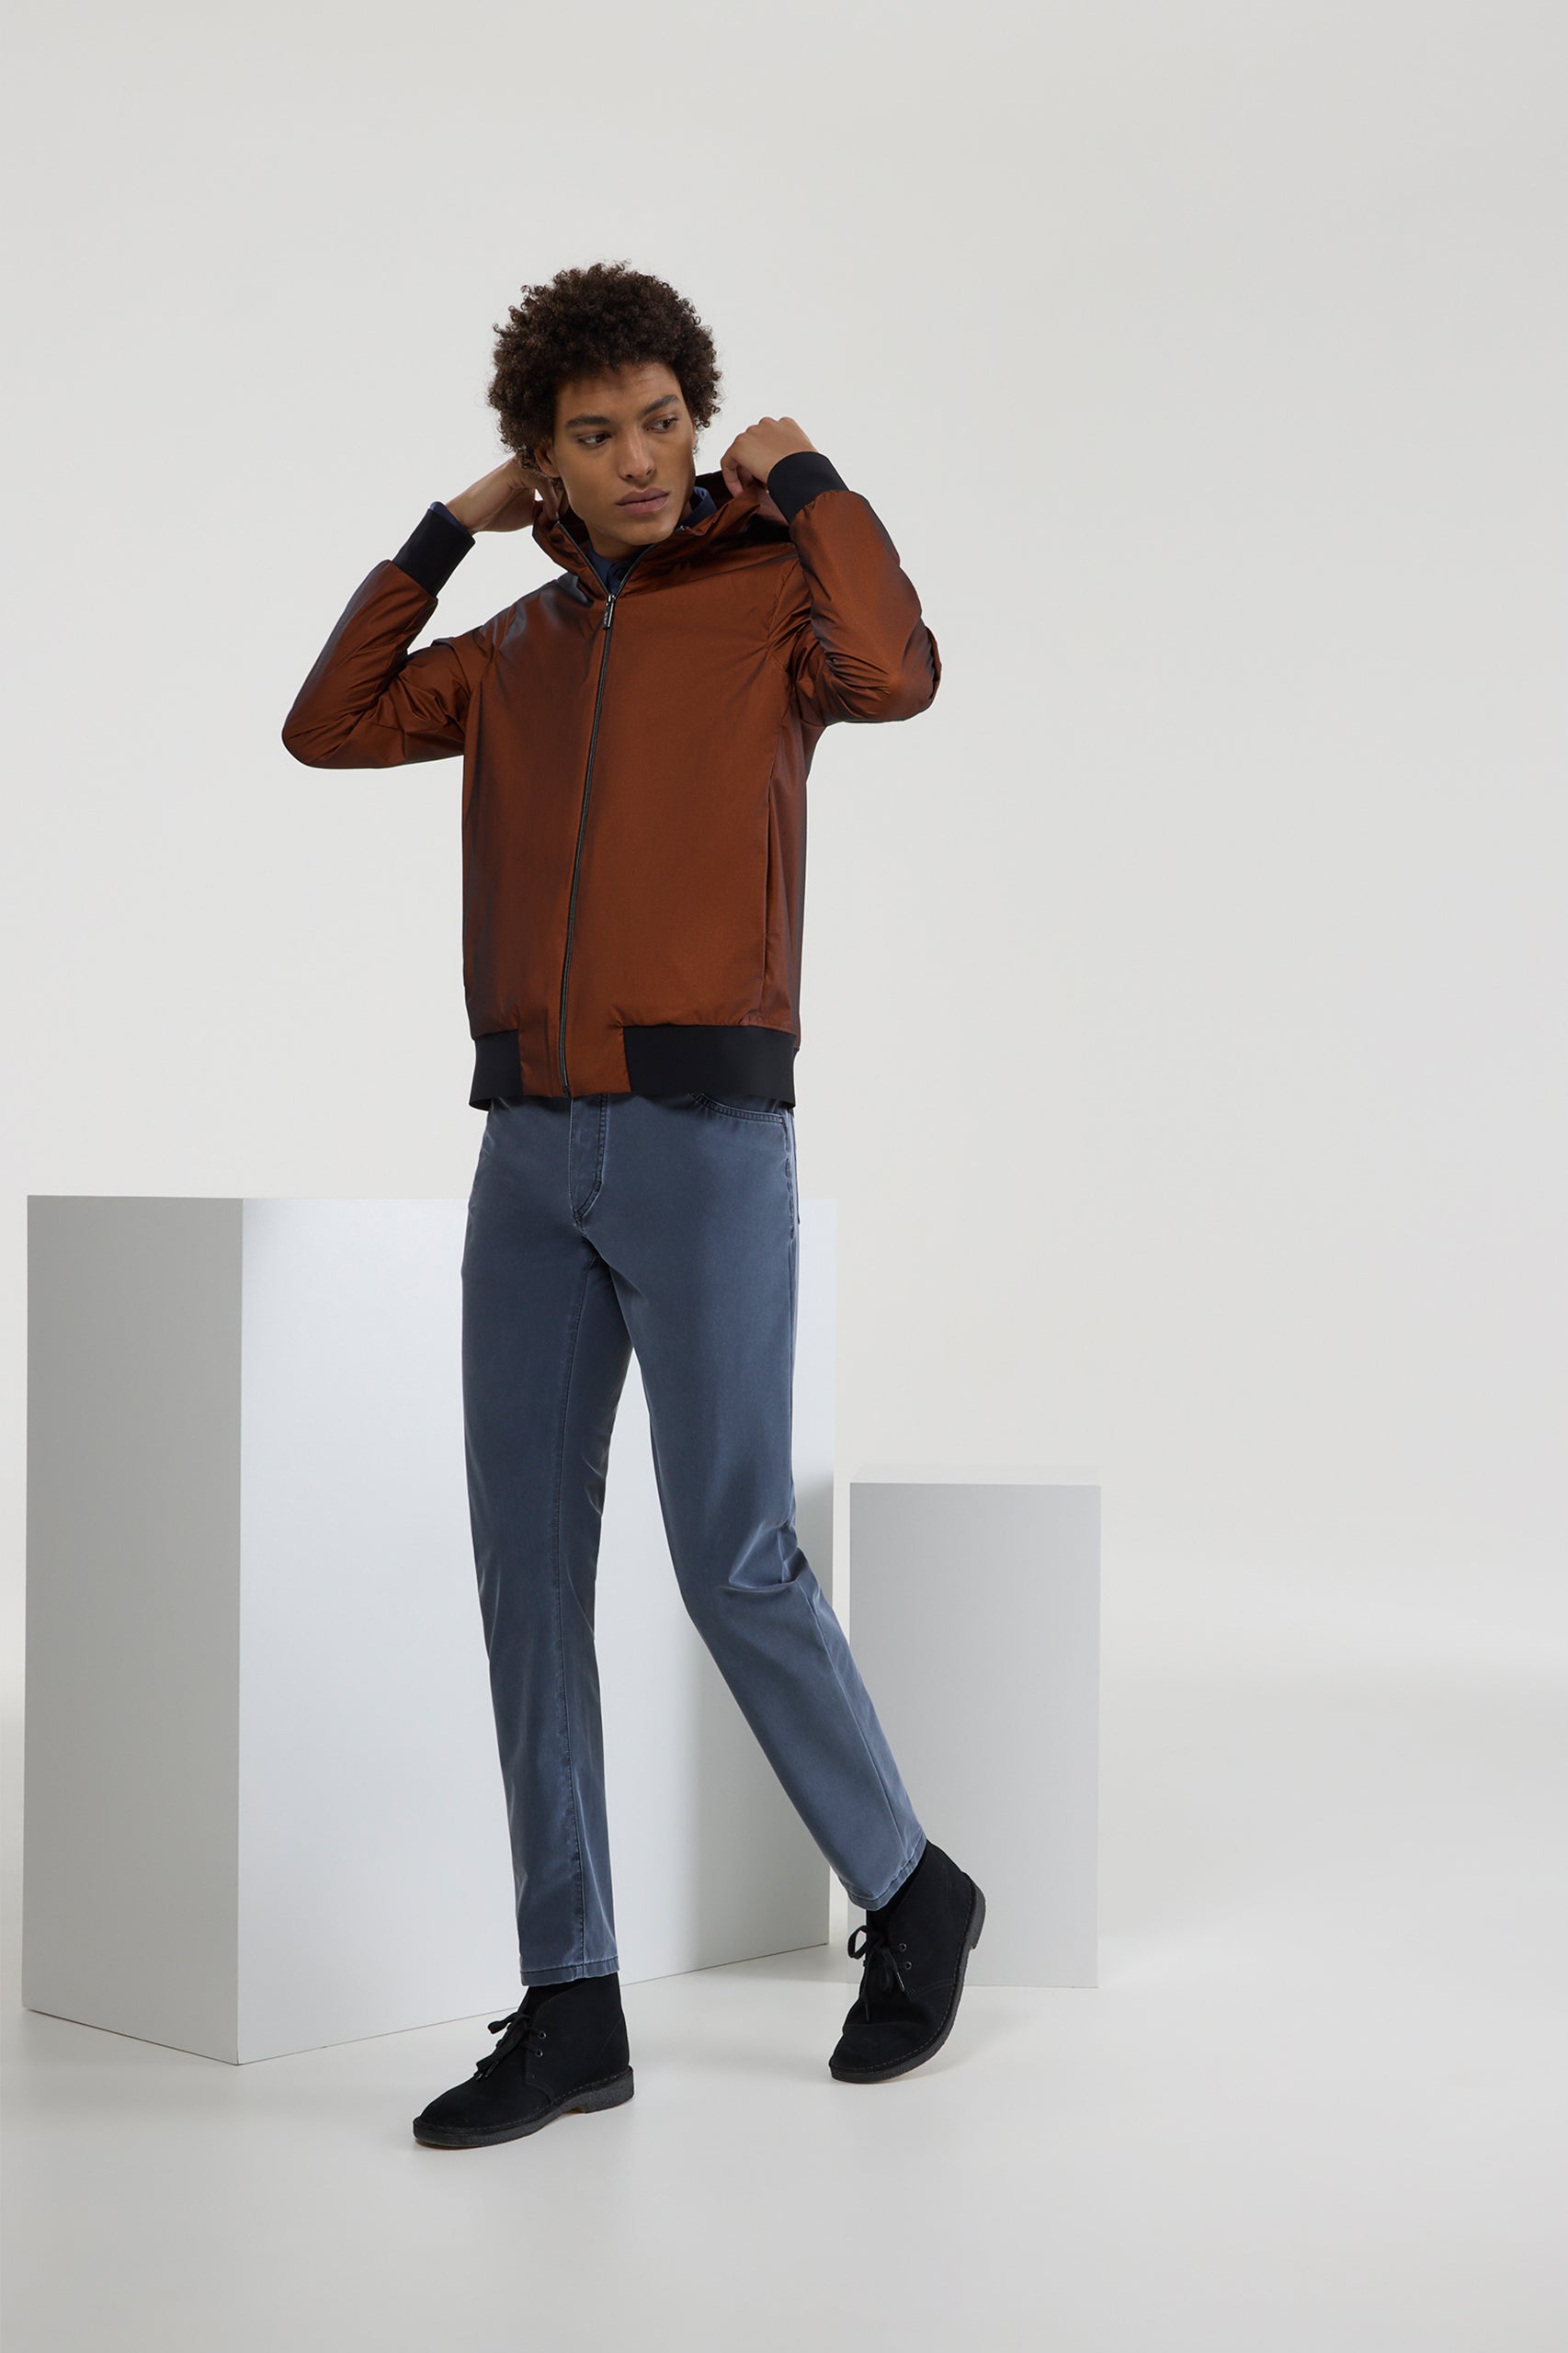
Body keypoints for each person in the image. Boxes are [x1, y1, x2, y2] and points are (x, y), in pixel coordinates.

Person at [281, 260, 985, 2148]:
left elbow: (901, 671)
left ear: (701, 418)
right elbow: (328, 722)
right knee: (523, 1575)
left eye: (664, 419)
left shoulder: (772, 605)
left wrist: (811, 481)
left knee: (728, 1552)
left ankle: (910, 1886)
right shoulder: (515, 644)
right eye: (594, 437)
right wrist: (446, 530)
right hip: (528, 1150)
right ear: (548, 463)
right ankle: (570, 2001)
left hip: (703, 1139)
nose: (643, 458)